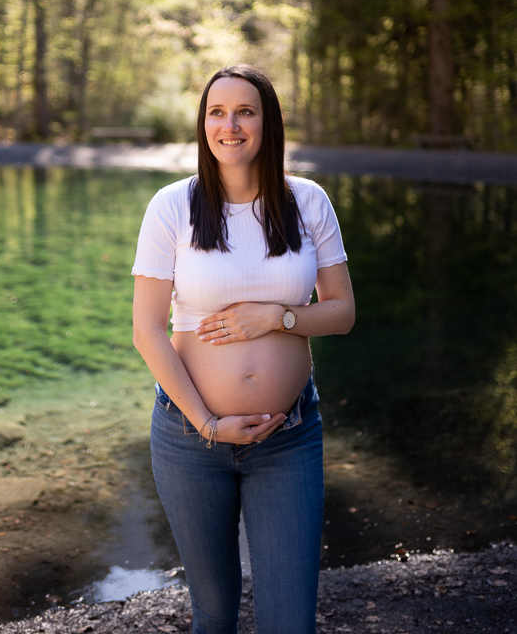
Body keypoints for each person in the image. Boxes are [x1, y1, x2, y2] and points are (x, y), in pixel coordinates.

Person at [132, 64, 355, 634]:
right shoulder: (171, 207)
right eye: (216, 112)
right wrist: (207, 422)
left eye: (245, 111)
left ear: (267, 121)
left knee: (289, 621)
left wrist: (277, 317)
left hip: (289, 436)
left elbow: (341, 313)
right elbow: (147, 331)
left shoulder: (307, 201)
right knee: (213, 613)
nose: (229, 125)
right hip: (189, 439)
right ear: (203, 123)